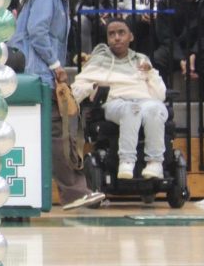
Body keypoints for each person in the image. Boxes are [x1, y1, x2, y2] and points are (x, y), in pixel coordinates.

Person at [7, 0, 106, 209]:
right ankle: (74, 192)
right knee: (58, 134)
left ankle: (69, 190)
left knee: (54, 132)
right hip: (40, 74)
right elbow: (37, 31)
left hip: (34, 74)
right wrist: (55, 65)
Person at [71, 18, 168, 181]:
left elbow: (160, 95)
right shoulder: (99, 60)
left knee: (155, 109)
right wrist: (91, 87)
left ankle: (154, 163)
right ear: (107, 39)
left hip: (144, 100)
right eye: (112, 34)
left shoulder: (141, 60)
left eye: (121, 33)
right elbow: (77, 89)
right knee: (131, 110)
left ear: (131, 37)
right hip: (116, 101)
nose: (116, 37)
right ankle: (127, 161)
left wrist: (150, 74)